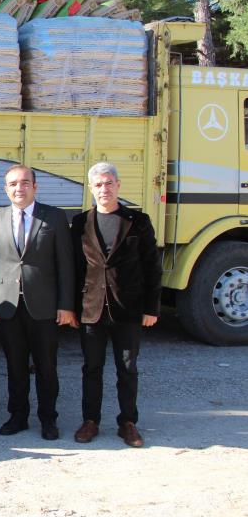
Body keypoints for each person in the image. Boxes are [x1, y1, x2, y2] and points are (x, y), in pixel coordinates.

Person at [0, 165, 76, 440]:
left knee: (47, 366)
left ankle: (48, 419)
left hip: (45, 306)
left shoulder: (54, 217)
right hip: (8, 306)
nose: (18, 188)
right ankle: (18, 416)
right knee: (15, 366)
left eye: (24, 183)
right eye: (12, 184)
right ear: (6, 189)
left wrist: (66, 304)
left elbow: (66, 265)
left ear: (35, 187)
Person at [71, 162, 161, 448]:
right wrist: (71, 309)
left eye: (109, 183)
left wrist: (152, 309)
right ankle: (90, 421)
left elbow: (152, 267)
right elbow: (74, 269)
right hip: (91, 308)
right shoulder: (80, 223)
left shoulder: (138, 221)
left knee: (127, 368)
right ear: (91, 189)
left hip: (129, 309)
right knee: (91, 368)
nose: (104, 189)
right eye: (98, 184)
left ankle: (128, 422)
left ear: (118, 185)